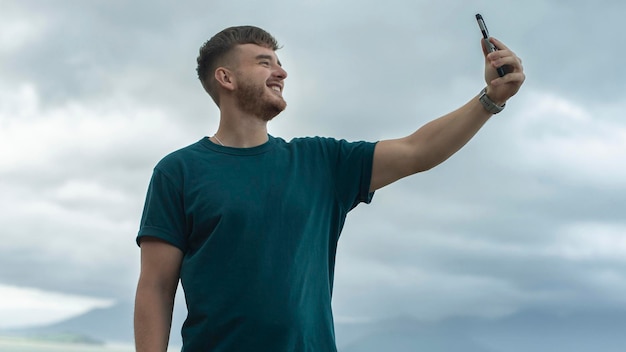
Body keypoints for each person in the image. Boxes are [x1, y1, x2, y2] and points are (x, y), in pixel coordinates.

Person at [133, 25, 525, 352]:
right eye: (264, 62)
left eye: (281, 63)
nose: (281, 72)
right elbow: (155, 287)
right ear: (226, 78)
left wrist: (490, 99)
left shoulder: (321, 162)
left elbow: (416, 151)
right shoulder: (178, 172)